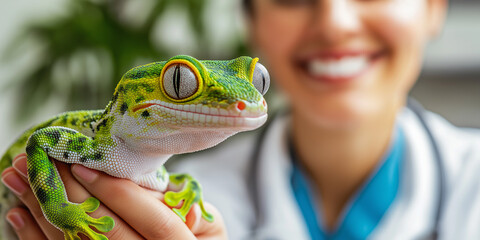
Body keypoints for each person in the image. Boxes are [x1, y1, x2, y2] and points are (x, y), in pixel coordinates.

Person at [3, 0, 480, 239]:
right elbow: (44, 144)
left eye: (258, 83)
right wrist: (60, 212)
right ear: (249, 22)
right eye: (183, 87)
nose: (335, 21)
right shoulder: (194, 187)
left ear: (435, 8)